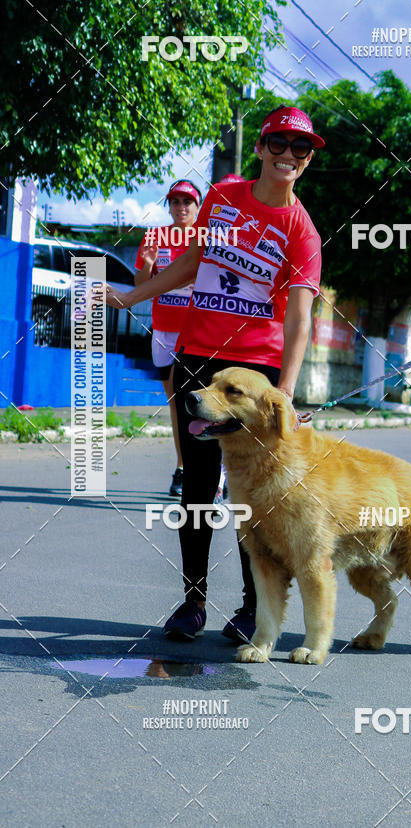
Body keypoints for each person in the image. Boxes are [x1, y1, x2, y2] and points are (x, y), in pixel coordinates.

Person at [104, 105, 324, 643]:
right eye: (279, 144)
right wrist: (132, 295)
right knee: (198, 488)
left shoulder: (302, 231)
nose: (289, 156)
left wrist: (286, 392)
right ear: (260, 148)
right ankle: (193, 603)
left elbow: (299, 318)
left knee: (252, 492)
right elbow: (192, 263)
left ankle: (254, 608)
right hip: (197, 358)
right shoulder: (223, 197)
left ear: (309, 158)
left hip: (253, 373)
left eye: (301, 148)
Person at [134, 179, 201, 496]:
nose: (181, 207)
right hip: (163, 331)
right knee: (177, 404)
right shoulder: (154, 236)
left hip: (196, 333)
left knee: (194, 403)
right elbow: (140, 285)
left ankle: (209, 472)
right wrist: (147, 266)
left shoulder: (205, 237)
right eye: (175, 201)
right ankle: (182, 467)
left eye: (187, 201)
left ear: (198, 205)